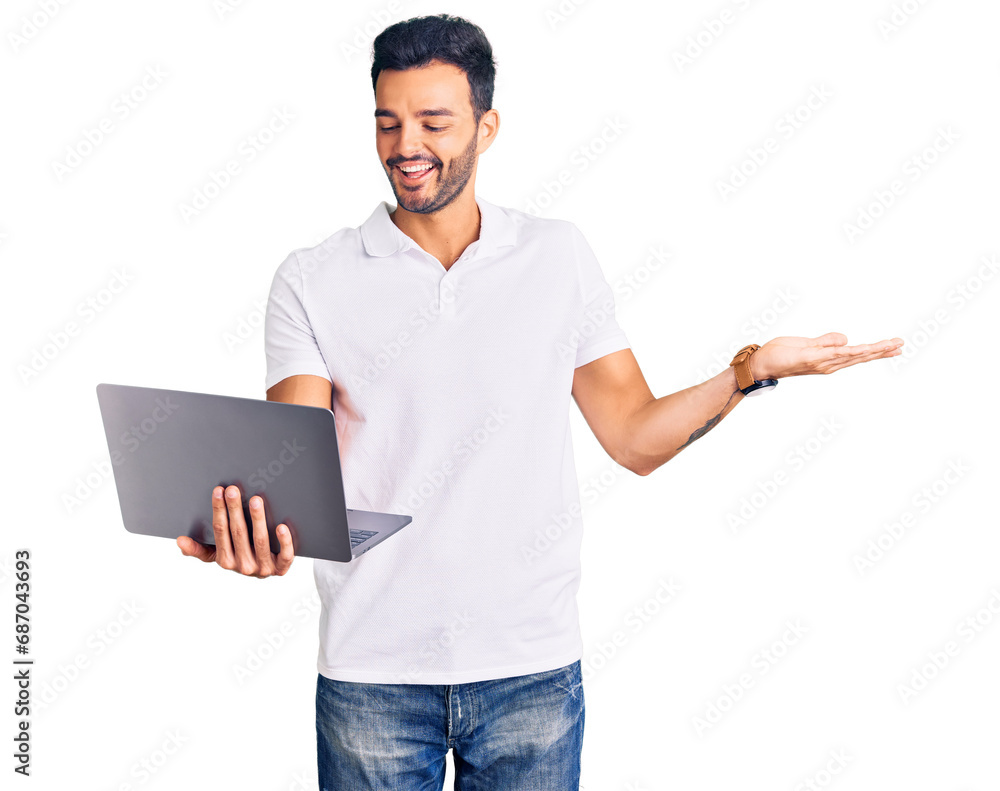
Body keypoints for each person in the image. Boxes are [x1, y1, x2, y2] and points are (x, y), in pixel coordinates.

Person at [176, 13, 903, 790]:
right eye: (387, 122)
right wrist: (252, 533)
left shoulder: (557, 258)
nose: (405, 146)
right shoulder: (313, 277)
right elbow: (297, 471)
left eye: (433, 121)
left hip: (531, 670)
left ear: (487, 127)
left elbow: (631, 435)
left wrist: (747, 372)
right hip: (372, 672)